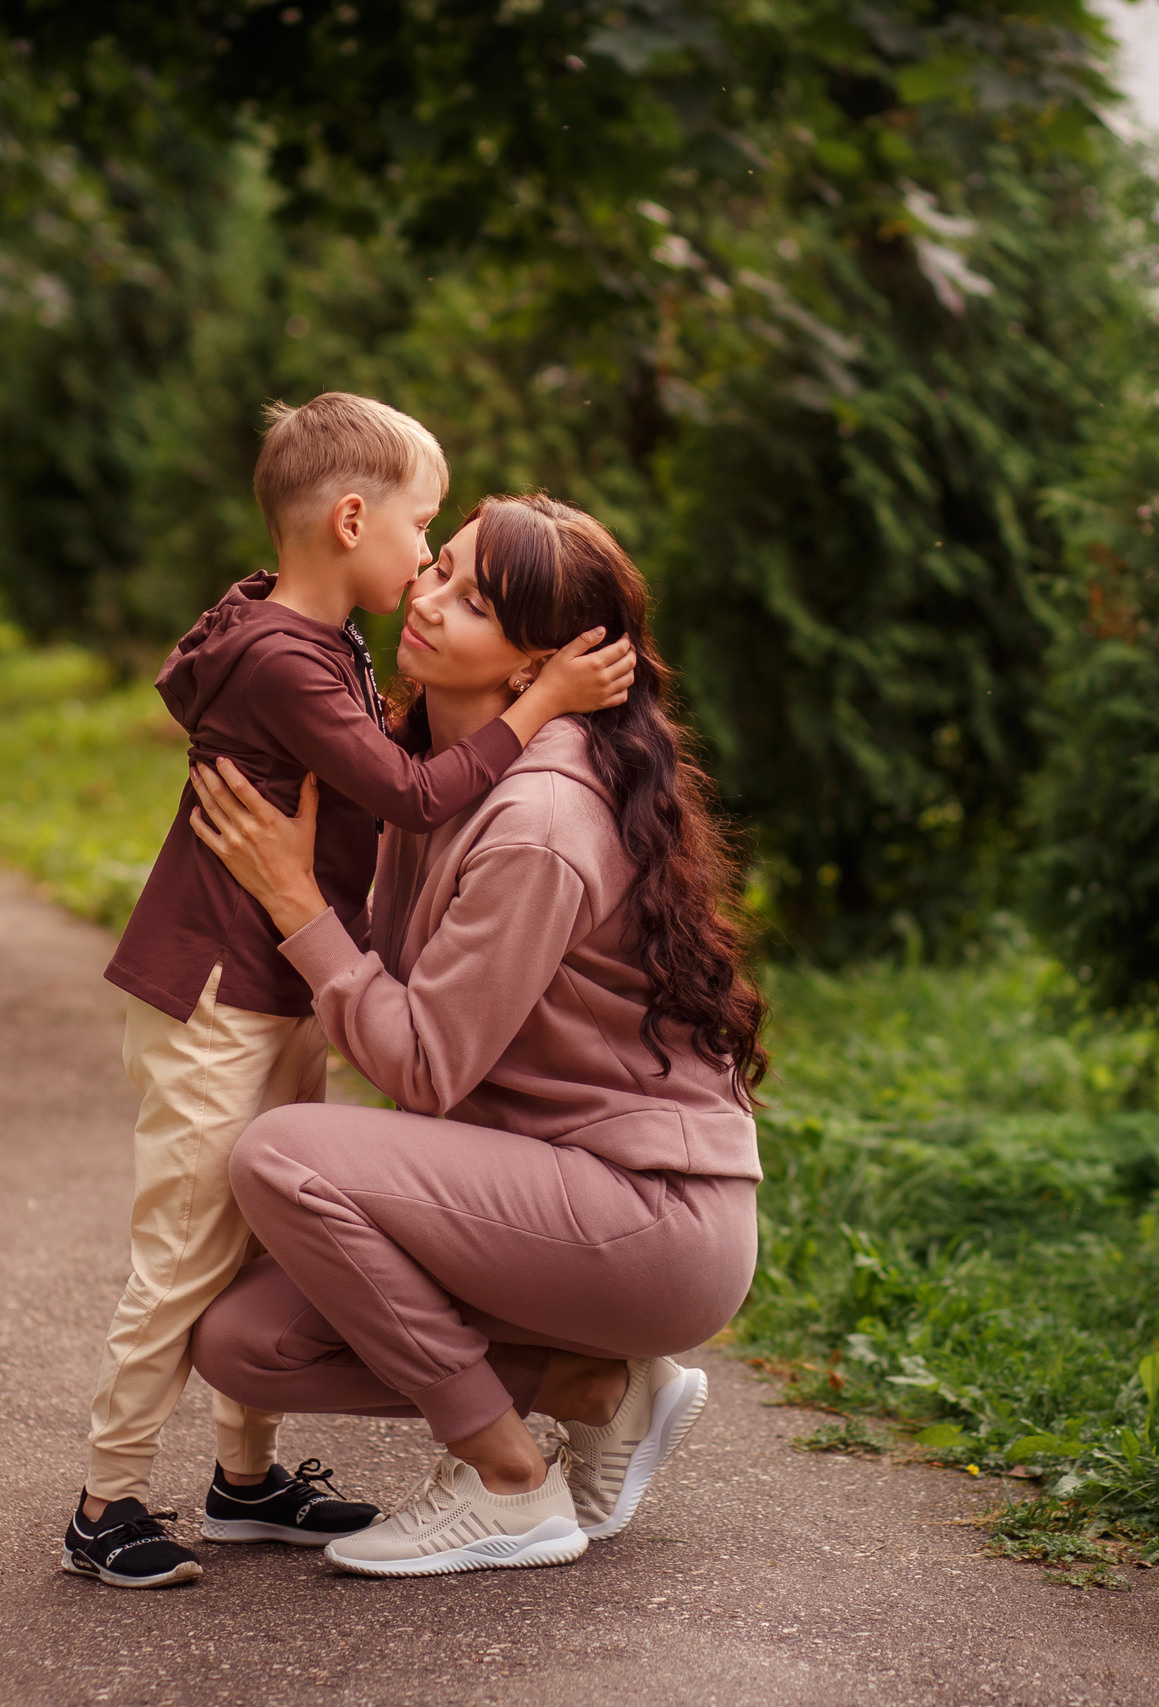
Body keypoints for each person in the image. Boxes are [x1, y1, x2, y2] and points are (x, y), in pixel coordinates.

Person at [62, 397, 638, 1590]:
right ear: (353, 517)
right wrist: (537, 710)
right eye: (424, 529)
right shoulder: (285, 650)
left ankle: (245, 1484)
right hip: (220, 987)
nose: (427, 562)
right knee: (183, 1252)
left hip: (273, 983)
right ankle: (103, 1500)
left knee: (250, 1240)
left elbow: (193, 678)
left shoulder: (296, 633)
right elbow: (414, 796)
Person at [184, 492, 768, 1579]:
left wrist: (296, 906)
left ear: (534, 667)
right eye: (439, 568)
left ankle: (506, 1480)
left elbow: (425, 1067)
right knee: (245, 1345)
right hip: (548, 1193)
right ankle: (594, 1390)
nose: (427, 600)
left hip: (648, 1223)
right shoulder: (429, 782)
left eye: (473, 601)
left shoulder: (540, 822)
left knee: (285, 1157)